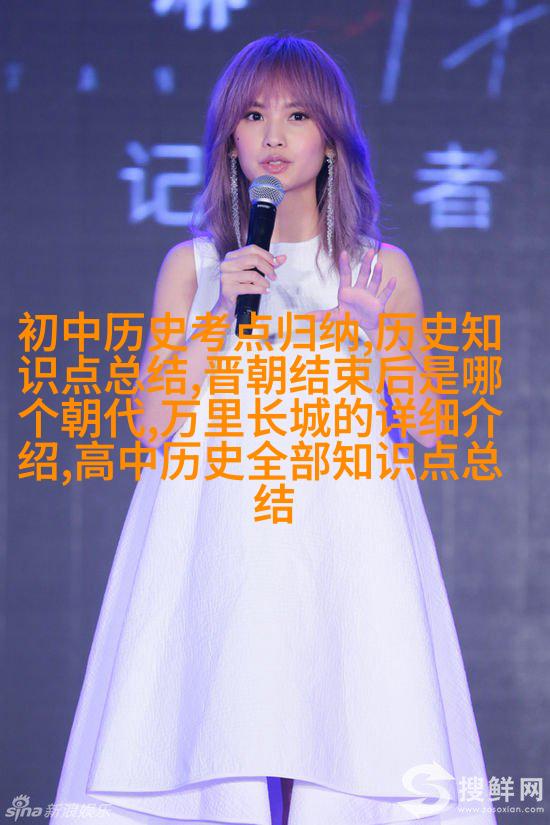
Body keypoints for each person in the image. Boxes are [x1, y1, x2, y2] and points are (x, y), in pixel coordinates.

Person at [51, 34, 497, 825]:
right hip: (221, 540)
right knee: (230, 727)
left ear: (332, 138)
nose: (274, 135)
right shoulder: (194, 268)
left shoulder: (377, 269)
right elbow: (150, 422)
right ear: (230, 139)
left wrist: (380, 334)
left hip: (343, 542)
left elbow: (430, 426)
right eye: (254, 115)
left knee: (337, 728)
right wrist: (220, 316)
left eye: (297, 115)